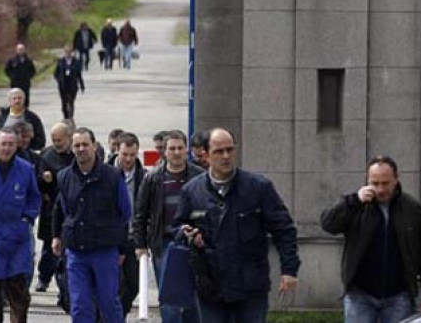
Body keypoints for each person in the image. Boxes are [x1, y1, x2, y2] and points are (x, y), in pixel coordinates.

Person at [174, 128, 300, 323]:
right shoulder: (192, 191)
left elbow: (284, 229)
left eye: (229, 150)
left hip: (250, 287)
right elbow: (178, 227)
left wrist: (289, 270)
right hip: (211, 286)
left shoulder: (258, 188)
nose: (226, 156)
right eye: (219, 151)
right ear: (205, 155)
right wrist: (187, 234)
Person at [320, 156, 421, 323]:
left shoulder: (414, 210)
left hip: (399, 295)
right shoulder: (356, 206)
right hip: (360, 293)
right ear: (367, 180)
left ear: (396, 180)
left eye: (386, 183)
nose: (381, 189)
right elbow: (328, 224)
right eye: (375, 183)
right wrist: (353, 201)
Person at [52, 127, 132, 323]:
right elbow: (62, 210)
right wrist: (57, 236)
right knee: (79, 306)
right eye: (77, 145)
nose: (81, 149)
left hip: (104, 251)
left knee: (108, 304)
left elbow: (125, 213)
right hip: (76, 252)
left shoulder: (113, 176)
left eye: (85, 144)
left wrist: (121, 249)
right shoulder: (64, 177)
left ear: (94, 146)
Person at [132, 130, 204, 322]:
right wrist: (140, 245)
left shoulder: (200, 177)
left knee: (194, 297)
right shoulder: (153, 178)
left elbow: (208, 209)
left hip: (193, 244)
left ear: (186, 149)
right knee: (170, 297)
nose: (177, 152)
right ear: (165, 151)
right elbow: (140, 214)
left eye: (180, 148)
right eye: (172, 148)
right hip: (164, 245)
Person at [0, 127, 41, 323]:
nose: (6, 148)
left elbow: (34, 198)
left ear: (16, 145)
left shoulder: (26, 169)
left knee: (18, 291)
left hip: (16, 237)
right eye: (3, 143)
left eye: (11, 144)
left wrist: (28, 217)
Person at [35, 123, 75, 293]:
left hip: (71, 209)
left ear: (69, 138)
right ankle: (43, 278)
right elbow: (36, 181)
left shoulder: (76, 154)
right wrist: (43, 179)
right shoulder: (46, 154)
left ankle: (65, 285)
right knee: (49, 249)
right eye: (54, 140)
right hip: (51, 208)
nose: (57, 143)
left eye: (60, 140)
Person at [111, 133, 146, 318]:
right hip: (111, 239)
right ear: (117, 150)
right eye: (125, 154)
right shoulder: (106, 173)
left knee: (134, 284)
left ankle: (119, 313)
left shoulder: (145, 177)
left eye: (132, 155)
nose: (128, 159)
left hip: (134, 238)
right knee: (113, 285)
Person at [54, 47, 85, 120]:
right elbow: (56, 73)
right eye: (66, 52)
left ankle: (71, 116)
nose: (68, 54)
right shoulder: (60, 61)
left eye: (69, 52)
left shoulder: (76, 62)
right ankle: (65, 116)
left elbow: (79, 74)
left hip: (72, 84)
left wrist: (82, 85)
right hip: (63, 85)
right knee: (64, 102)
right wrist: (59, 80)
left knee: (71, 101)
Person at [4, 44, 38, 108]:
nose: (21, 51)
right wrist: (12, 76)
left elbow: (33, 70)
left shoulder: (28, 61)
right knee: (15, 97)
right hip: (15, 83)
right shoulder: (12, 60)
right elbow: (7, 70)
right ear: (16, 50)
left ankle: (25, 111)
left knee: (25, 98)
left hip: (25, 83)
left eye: (22, 49)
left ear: (24, 50)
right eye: (19, 49)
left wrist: (29, 76)